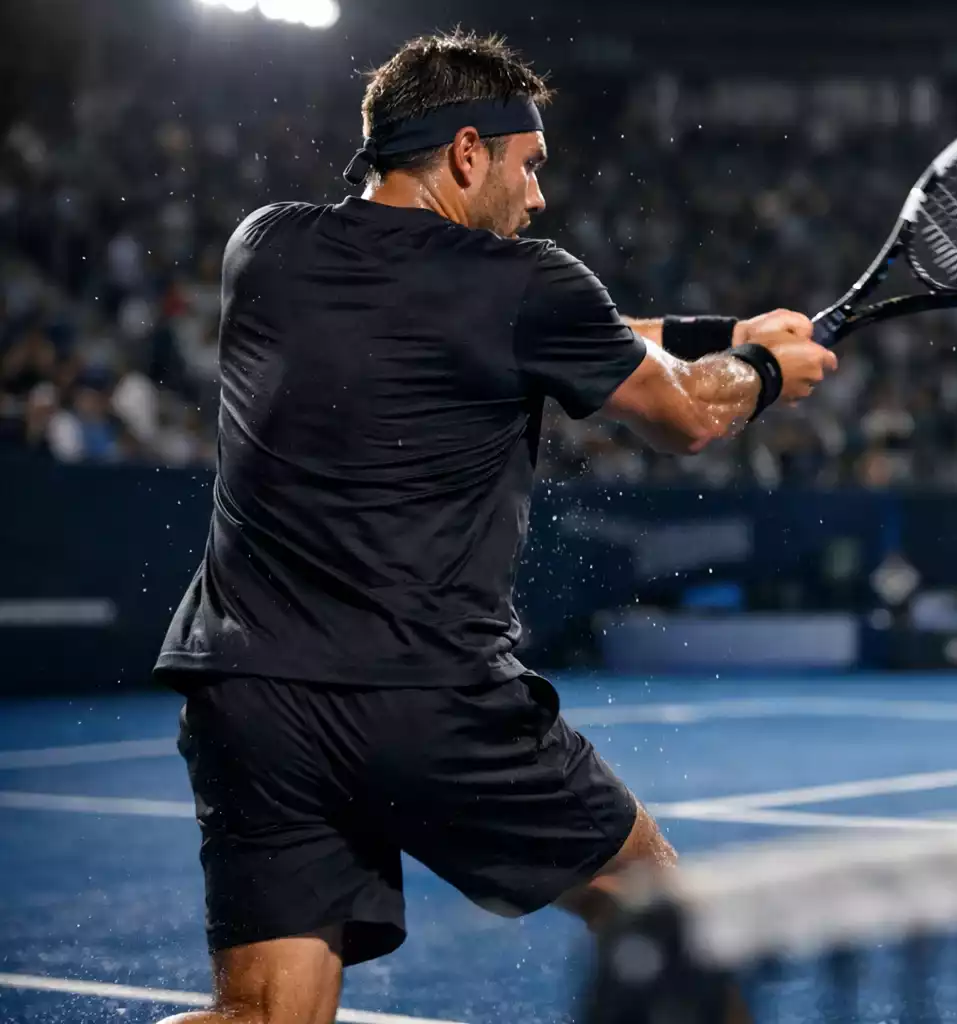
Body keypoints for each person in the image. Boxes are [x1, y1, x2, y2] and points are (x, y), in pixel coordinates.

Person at [153, 30, 835, 1024]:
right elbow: (686, 413)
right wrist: (770, 372)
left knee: (262, 1018)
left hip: (249, 697)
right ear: (469, 152)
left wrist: (721, 333)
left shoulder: (266, 246)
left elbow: (539, 328)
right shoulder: (528, 284)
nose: (539, 197)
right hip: (428, 700)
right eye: (531, 165)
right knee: (667, 919)